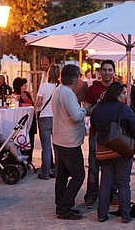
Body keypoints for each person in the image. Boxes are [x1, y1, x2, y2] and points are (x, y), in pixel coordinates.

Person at [91, 82, 135, 223]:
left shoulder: (97, 108)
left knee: (105, 181)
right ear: (117, 94)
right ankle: (125, 215)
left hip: (103, 151)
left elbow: (94, 126)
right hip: (122, 151)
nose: (125, 96)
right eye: (124, 93)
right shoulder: (124, 109)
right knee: (123, 184)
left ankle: (102, 215)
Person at [52, 65, 87, 220]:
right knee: (79, 175)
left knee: (62, 175)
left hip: (60, 139)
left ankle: (61, 203)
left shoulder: (58, 90)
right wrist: (84, 110)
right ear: (75, 77)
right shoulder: (67, 93)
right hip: (69, 141)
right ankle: (64, 207)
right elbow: (76, 115)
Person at [83, 60, 116, 208]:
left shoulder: (118, 89)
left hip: (114, 134)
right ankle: (91, 195)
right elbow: (87, 110)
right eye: (105, 70)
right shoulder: (92, 89)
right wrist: (98, 108)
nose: (107, 73)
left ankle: (112, 194)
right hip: (96, 133)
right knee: (94, 166)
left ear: (114, 72)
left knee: (112, 165)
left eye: (110, 70)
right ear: (100, 72)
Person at [35, 65, 60, 180]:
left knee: (46, 147)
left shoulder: (44, 86)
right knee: (57, 147)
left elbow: (38, 103)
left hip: (44, 118)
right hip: (57, 119)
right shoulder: (61, 87)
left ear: (48, 74)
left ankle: (45, 173)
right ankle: (57, 171)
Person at [12, 77, 37, 163]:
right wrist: (26, 105)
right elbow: (16, 105)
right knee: (22, 140)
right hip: (22, 120)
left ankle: (29, 159)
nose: (26, 86)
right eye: (24, 85)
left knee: (31, 139)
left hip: (31, 119)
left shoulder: (27, 94)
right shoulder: (15, 95)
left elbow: (32, 104)